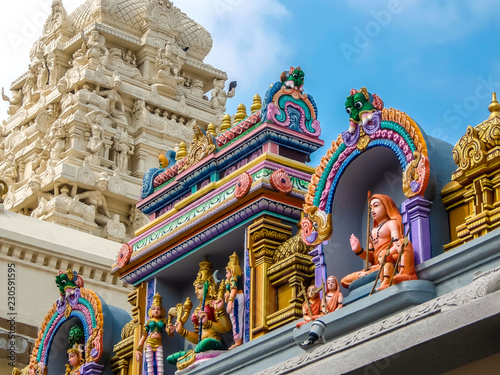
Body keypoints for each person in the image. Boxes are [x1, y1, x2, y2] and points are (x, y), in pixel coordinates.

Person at [340, 194, 417, 290]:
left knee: (383, 266)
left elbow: (398, 244)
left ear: (386, 206)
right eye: (371, 207)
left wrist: (385, 255)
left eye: (376, 206)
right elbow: (371, 257)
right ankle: (369, 273)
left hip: (389, 259)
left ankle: (377, 274)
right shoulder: (372, 231)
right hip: (376, 265)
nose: (372, 210)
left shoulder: (391, 223)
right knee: (345, 281)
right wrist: (358, 250)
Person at [166, 258, 231, 370]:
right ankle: (192, 354)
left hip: (213, 342)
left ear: (209, 288)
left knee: (205, 343)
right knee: (170, 358)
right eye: (196, 289)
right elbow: (197, 338)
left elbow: (226, 327)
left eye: (200, 288)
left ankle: (191, 355)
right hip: (201, 344)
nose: (196, 291)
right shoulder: (197, 309)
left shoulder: (214, 304)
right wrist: (182, 331)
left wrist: (209, 322)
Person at [135, 293, 169, 375]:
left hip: (158, 343)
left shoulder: (164, 321)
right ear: (150, 311)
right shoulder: (149, 322)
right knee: (150, 364)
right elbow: (144, 335)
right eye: (154, 309)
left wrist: (171, 330)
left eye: (158, 309)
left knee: (159, 363)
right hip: (149, 341)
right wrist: (138, 349)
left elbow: (170, 334)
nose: (156, 311)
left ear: (162, 311)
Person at [224, 252, 244, 349]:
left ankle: (238, 340)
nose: (226, 275)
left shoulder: (234, 278)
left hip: (236, 299)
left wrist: (230, 301)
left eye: (227, 272)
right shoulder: (232, 279)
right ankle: (237, 340)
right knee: (234, 319)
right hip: (235, 298)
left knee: (236, 319)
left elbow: (234, 289)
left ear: (232, 271)